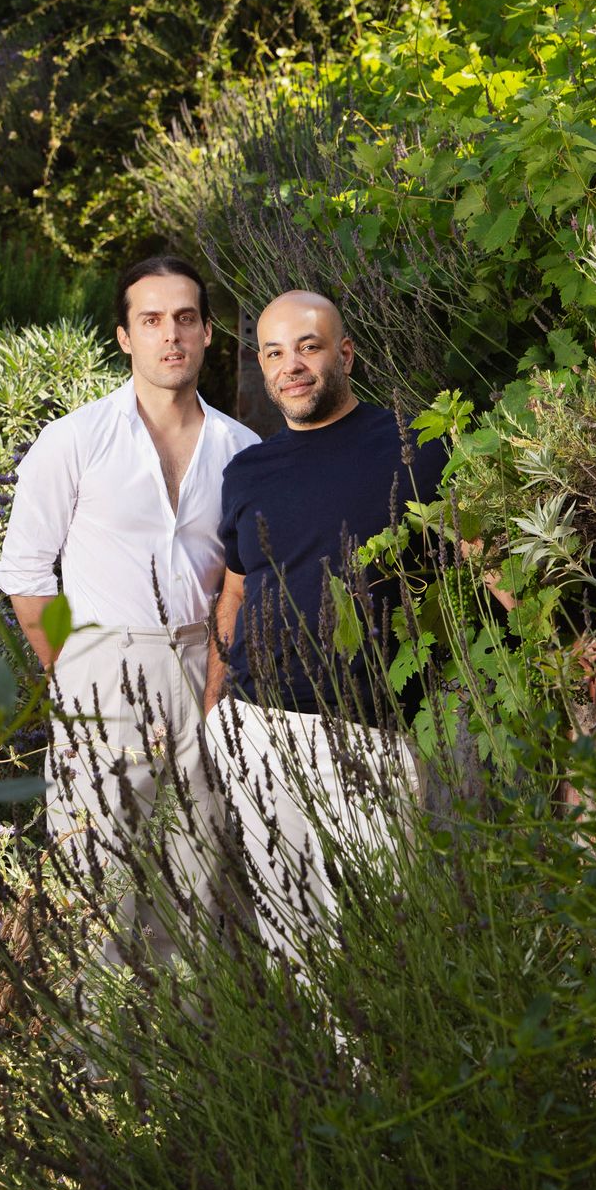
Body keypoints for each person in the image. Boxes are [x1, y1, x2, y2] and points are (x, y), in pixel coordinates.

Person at [0, 255, 257, 965]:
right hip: (101, 664)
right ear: (124, 336)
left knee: (202, 874)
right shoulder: (74, 441)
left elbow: (249, 578)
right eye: (151, 321)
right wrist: (71, 672)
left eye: (184, 319)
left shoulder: (244, 451)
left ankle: (191, 1057)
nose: (170, 335)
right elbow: (24, 571)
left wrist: (223, 679)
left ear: (206, 334)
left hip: (208, 665)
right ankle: (96, 1065)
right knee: (97, 874)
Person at [202, 290, 449, 966]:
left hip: (371, 729)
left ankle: (395, 1067)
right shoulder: (248, 472)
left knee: (394, 932)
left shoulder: (415, 444)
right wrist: (212, 718)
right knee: (293, 942)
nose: (293, 366)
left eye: (308, 347)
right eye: (275, 353)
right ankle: (327, 1071)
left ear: (345, 352)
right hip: (257, 728)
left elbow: (480, 557)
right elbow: (236, 592)